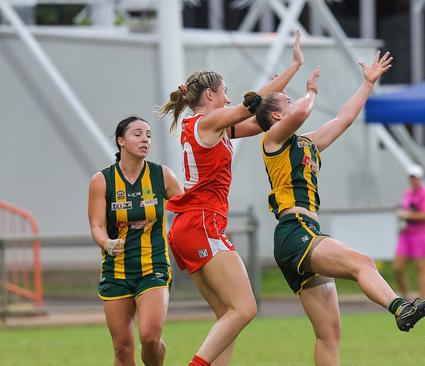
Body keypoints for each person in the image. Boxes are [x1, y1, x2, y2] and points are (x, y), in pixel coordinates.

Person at [248, 51, 425, 365]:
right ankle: (400, 308)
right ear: (276, 117)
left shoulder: (305, 143)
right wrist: (311, 92)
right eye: (287, 100)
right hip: (294, 231)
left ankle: (399, 308)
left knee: (329, 333)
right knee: (362, 261)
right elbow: (301, 113)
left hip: (304, 232)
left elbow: (344, 119)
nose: (294, 101)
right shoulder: (272, 139)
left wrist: (368, 83)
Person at [158, 32, 304, 366]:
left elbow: (257, 120)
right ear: (210, 94)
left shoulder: (210, 126)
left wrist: (292, 71)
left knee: (227, 315)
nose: (228, 98)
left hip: (189, 226)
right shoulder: (208, 121)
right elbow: (251, 104)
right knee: (245, 308)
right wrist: (293, 69)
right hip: (201, 223)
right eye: (224, 93)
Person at [88, 116, 183, 366]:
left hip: (154, 268)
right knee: (122, 348)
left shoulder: (162, 175)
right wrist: (107, 243)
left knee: (150, 337)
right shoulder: (102, 180)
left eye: (149, 135)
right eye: (138, 134)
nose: (145, 139)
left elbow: (187, 208)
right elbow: (96, 226)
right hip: (116, 271)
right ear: (121, 141)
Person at [394, 164, 425, 300]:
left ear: (420, 179)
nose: (413, 180)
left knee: (421, 268)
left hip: (421, 234)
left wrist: (406, 215)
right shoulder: (407, 193)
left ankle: (424, 300)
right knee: (398, 267)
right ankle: (405, 298)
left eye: (415, 178)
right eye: (411, 178)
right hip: (406, 234)